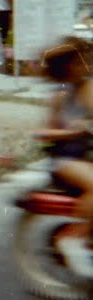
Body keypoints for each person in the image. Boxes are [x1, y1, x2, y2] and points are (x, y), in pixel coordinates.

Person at [38, 37, 93, 277]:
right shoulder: (60, 95)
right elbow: (43, 132)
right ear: (69, 66)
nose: (86, 64)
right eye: (80, 61)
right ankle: (73, 239)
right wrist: (71, 131)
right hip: (66, 160)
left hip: (85, 156)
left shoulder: (89, 88)